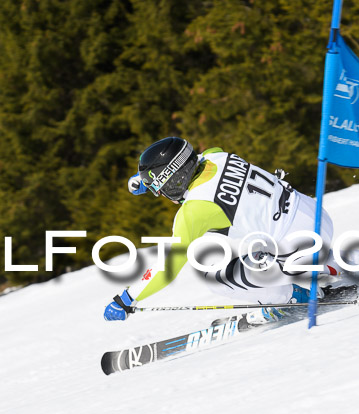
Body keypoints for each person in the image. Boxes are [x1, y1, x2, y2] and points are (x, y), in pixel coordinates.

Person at [103, 136, 336, 325]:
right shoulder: (217, 156)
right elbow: (191, 157)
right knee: (228, 235)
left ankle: (290, 299)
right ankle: (328, 267)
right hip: (315, 217)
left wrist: (126, 298)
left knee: (211, 274)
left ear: (174, 181)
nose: (162, 195)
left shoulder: (195, 209)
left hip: (299, 247)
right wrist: (147, 179)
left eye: (161, 189)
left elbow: (167, 268)